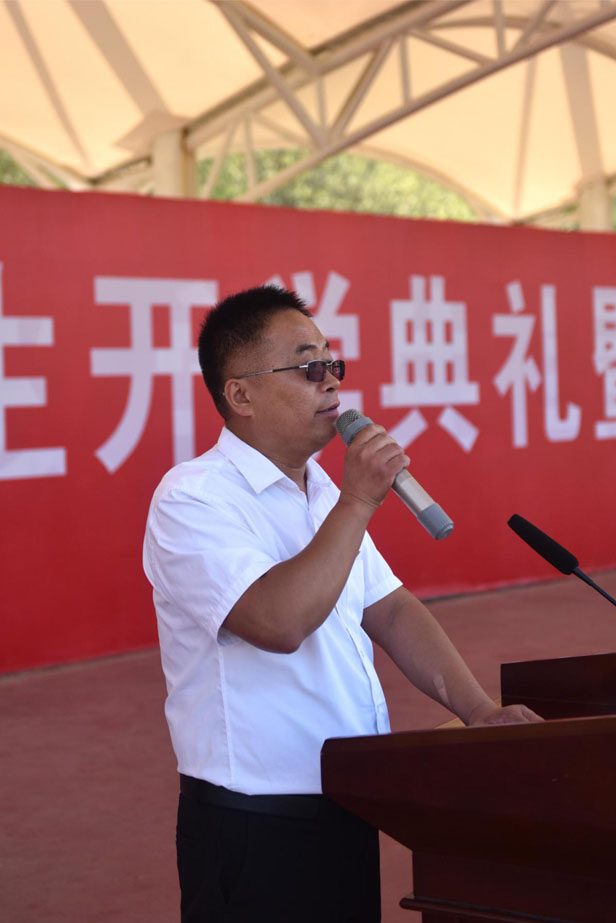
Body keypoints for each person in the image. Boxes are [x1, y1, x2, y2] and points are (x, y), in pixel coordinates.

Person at [143, 284, 541, 923]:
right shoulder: (193, 498)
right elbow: (278, 623)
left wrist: (478, 712)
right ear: (240, 395)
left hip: (349, 801)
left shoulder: (323, 492)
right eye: (307, 367)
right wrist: (359, 501)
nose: (330, 381)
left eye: (333, 363)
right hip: (255, 821)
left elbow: (391, 609)